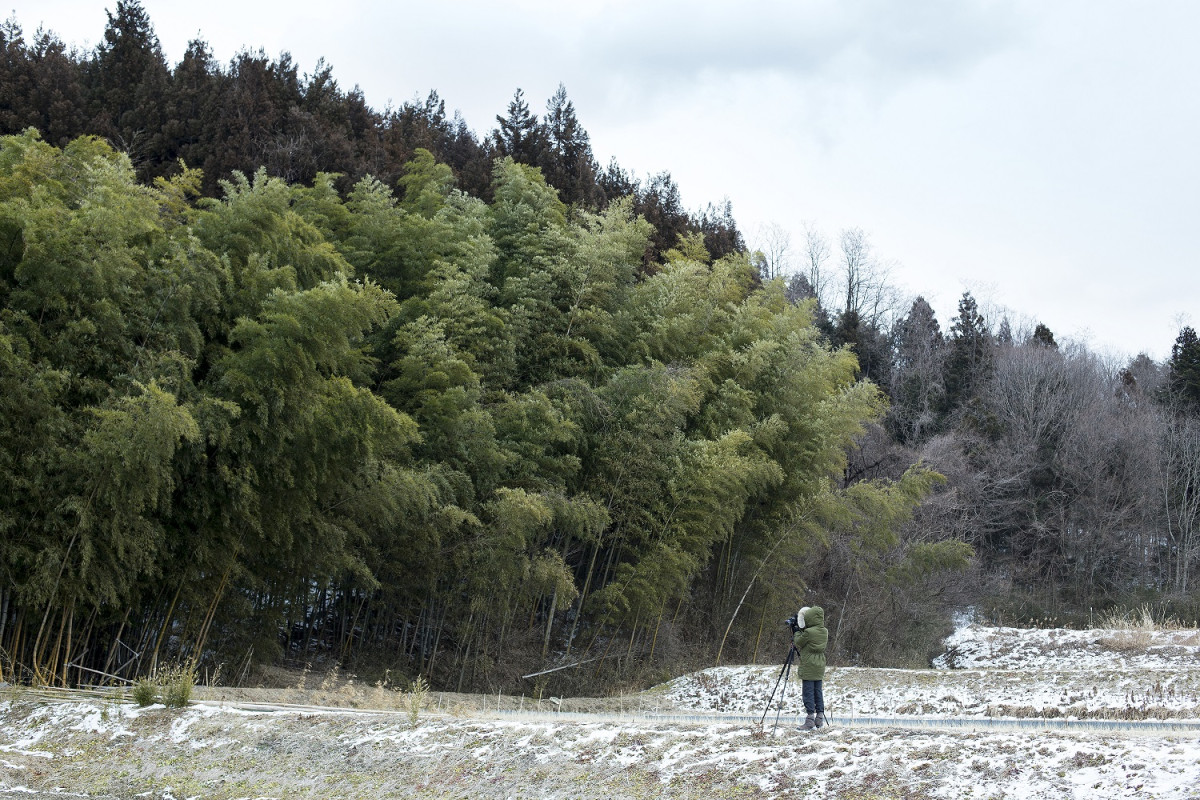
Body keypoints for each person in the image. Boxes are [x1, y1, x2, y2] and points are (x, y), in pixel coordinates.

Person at [792, 605, 827, 730]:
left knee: (808, 693)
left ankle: (809, 720)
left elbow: (798, 642)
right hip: (820, 664)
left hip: (808, 665)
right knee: (818, 692)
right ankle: (819, 719)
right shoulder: (824, 631)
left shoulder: (808, 632)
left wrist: (796, 631)